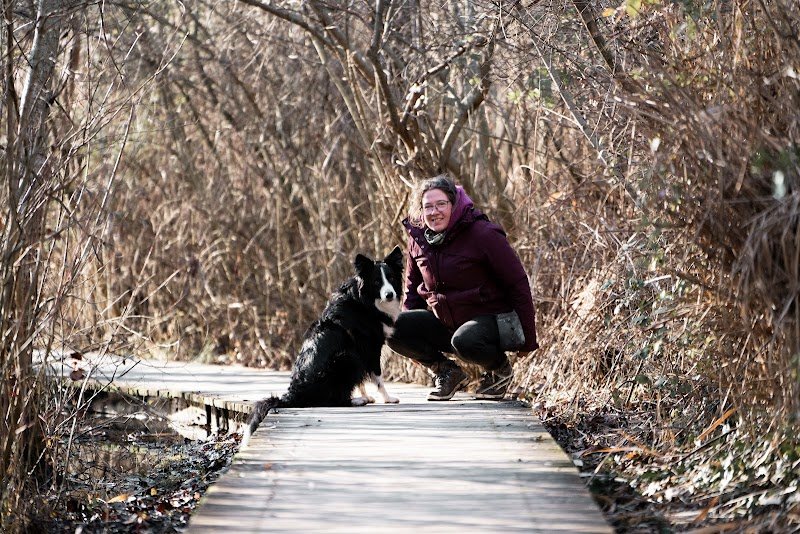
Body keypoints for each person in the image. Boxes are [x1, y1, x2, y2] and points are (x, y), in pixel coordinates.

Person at [387, 173, 538, 401]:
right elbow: (412, 289)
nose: (434, 212)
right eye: (428, 206)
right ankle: (446, 372)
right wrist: (410, 339)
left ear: (454, 204)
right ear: (421, 210)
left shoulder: (483, 234)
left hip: (488, 322)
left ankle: (499, 371)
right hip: (446, 321)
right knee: (391, 327)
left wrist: (528, 337)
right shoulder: (418, 240)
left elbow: (517, 284)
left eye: (441, 204)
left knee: (465, 340)